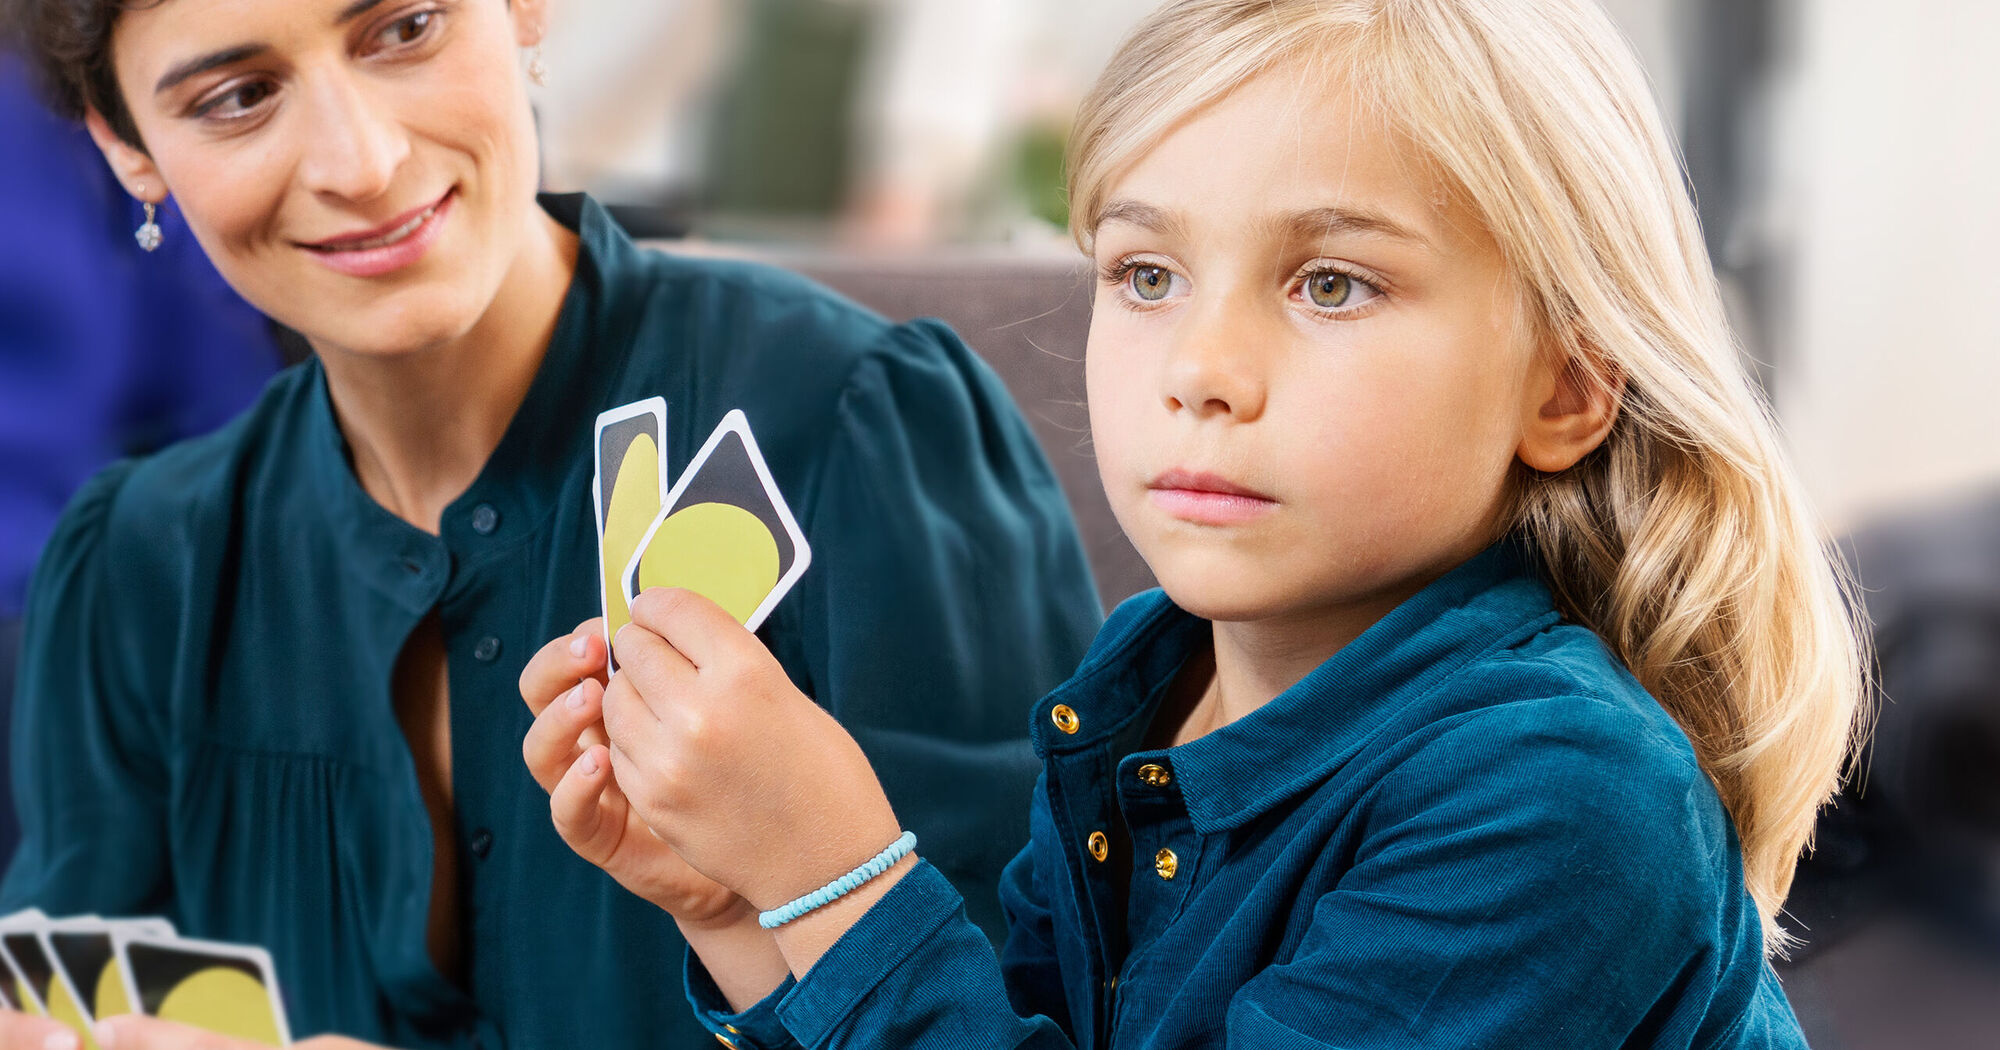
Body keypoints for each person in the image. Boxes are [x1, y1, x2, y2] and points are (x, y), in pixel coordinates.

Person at [513, 0, 1871, 1047]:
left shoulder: (1563, 790)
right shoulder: (1142, 687)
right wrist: (749, 911)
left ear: (1567, 387)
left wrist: (844, 878)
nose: (1202, 367)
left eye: (1332, 283)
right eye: (1147, 272)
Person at [0, 0, 1101, 1047]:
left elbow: (1019, 1018)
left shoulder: (854, 425)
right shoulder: (136, 567)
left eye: (407, 27)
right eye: (237, 96)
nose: (361, 162)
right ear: (126, 145)